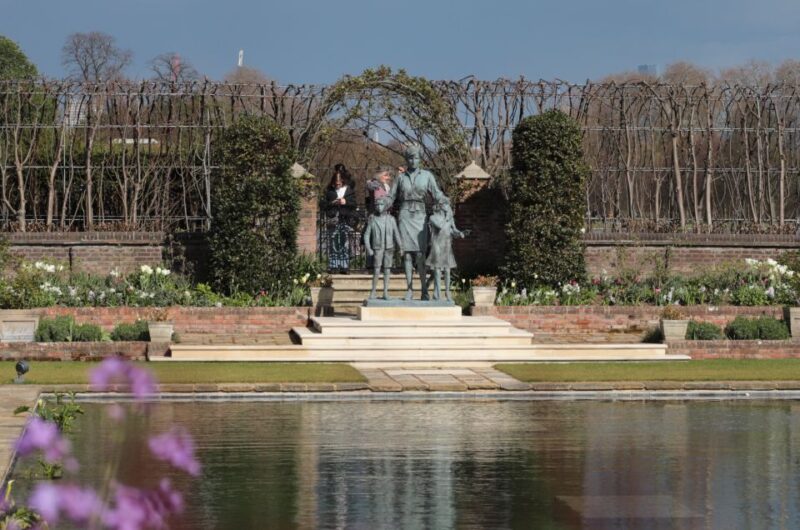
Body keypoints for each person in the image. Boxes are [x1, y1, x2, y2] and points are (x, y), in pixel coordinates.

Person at [388, 145, 446, 300]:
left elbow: (436, 193)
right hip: (405, 215)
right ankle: (409, 289)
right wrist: (383, 202)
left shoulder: (427, 176)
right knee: (407, 255)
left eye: (416, 158)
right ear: (407, 160)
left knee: (420, 255)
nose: (414, 161)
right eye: (411, 158)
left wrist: (444, 200)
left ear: (420, 159)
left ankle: (424, 289)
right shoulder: (400, 177)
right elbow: (391, 196)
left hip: (420, 217)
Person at [426, 197, 466, 301]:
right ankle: (437, 293)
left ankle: (447, 292)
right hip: (437, 246)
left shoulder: (450, 219)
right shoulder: (433, 217)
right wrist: (447, 217)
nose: (448, 207)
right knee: (437, 270)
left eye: (448, 205)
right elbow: (439, 226)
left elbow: (453, 231)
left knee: (448, 270)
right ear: (441, 206)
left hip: (447, 246)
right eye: (446, 205)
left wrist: (461, 233)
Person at [364, 196, 402, 300]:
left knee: (387, 270)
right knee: (376, 270)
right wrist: (369, 249)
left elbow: (396, 234)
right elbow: (367, 235)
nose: (379, 207)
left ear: (385, 206)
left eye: (381, 205)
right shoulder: (373, 219)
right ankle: (373, 291)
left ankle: (385, 291)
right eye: (377, 205)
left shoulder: (391, 219)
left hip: (389, 247)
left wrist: (401, 247)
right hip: (378, 247)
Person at [323, 163, 356, 273]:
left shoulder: (349, 191)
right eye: (335, 184)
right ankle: (334, 265)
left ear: (342, 182)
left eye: (339, 183)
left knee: (344, 243)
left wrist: (345, 201)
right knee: (333, 242)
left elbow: (354, 204)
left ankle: (344, 265)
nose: (337, 185)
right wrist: (332, 203)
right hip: (333, 219)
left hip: (344, 218)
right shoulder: (330, 192)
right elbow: (323, 205)